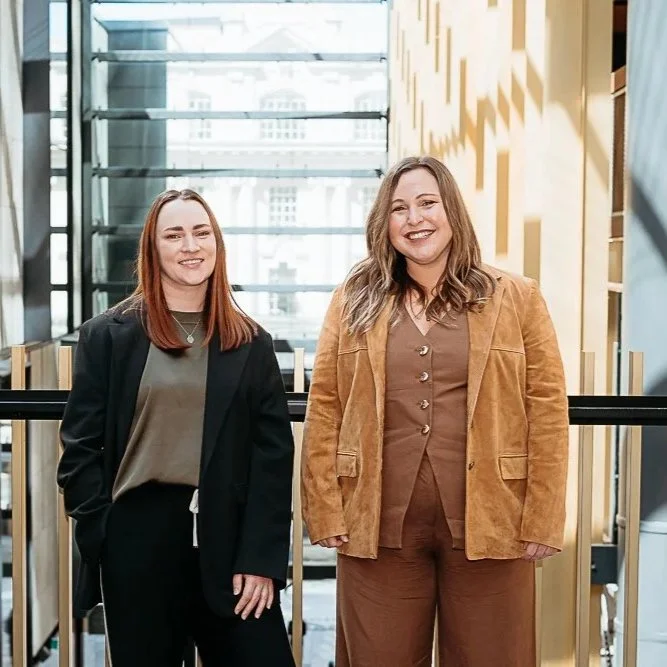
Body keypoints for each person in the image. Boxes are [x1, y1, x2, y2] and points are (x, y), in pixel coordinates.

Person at [302, 156, 569, 666]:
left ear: (453, 212)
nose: (414, 218)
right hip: (375, 525)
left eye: (427, 203)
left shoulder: (517, 298)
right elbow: (327, 406)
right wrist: (325, 506)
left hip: (495, 521)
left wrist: (543, 515)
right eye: (399, 208)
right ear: (386, 224)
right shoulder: (353, 300)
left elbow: (548, 412)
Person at [57, 189, 296, 667]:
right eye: (175, 234)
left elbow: (272, 460)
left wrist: (261, 560)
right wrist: (105, 535)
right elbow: (80, 448)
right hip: (138, 542)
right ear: (154, 249)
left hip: (231, 544)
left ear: (217, 244)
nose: (190, 245)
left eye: (201, 232)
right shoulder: (108, 335)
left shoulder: (251, 343)